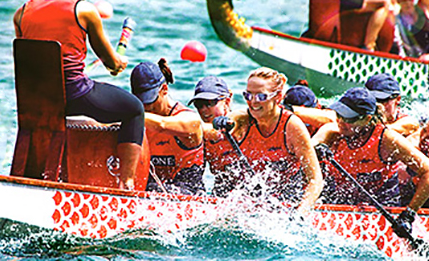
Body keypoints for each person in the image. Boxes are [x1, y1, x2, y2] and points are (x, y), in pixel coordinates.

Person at [13, 0, 142, 189]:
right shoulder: (84, 9)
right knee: (134, 109)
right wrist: (118, 64)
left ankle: (25, 179)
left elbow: (36, 61)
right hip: (73, 97)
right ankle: (127, 184)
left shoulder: (21, 12)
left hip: (34, 103)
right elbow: (111, 63)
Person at [312, 87, 429, 221]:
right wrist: (317, 149)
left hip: (382, 204)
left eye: (349, 119)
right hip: (340, 198)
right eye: (339, 115)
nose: (341, 123)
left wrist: (409, 214)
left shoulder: (387, 140)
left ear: (367, 119)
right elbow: (307, 151)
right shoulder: (332, 132)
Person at [215, 67, 324, 212]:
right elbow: (211, 129)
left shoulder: (292, 126)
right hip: (249, 198)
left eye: (261, 97)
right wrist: (219, 123)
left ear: (278, 97)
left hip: (286, 202)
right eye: (248, 95)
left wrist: (300, 213)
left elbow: (316, 180)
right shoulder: (241, 118)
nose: (253, 102)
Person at [131, 60, 204, 195]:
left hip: (189, 192)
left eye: (150, 100)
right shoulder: (140, 117)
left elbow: (162, 125)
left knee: (155, 189)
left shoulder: (190, 120)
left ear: (164, 89)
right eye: (140, 101)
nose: (146, 107)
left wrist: (125, 114)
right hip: (150, 189)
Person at [190, 76, 239, 197]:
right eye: (199, 105)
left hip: (250, 191)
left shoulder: (242, 125)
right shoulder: (201, 135)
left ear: (227, 102)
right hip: (221, 192)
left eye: (209, 103)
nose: (204, 110)